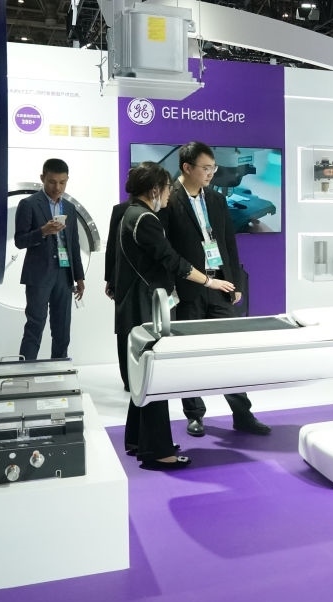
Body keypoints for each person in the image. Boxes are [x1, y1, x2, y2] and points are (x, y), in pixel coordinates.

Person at [113, 161, 235, 469]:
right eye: (167, 188)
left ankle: (138, 440)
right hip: (148, 306)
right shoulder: (145, 219)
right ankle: (158, 452)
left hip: (138, 305)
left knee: (143, 377)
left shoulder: (131, 214)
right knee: (155, 377)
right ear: (155, 189)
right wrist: (209, 281)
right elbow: (172, 260)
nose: (170, 194)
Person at [162, 141, 270, 438]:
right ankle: (194, 415)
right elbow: (167, 250)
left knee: (230, 352)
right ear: (187, 167)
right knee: (190, 355)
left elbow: (227, 243)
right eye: (206, 168)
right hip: (188, 288)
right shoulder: (169, 199)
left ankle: (242, 414)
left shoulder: (216, 199)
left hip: (220, 284)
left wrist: (235, 282)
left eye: (213, 168)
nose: (211, 173)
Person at [14, 158, 85, 360]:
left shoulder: (69, 208)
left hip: (64, 274)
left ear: (67, 180)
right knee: (35, 325)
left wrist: (79, 277)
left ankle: (59, 369)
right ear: (42, 178)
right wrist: (43, 231)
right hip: (39, 275)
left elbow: (74, 244)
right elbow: (20, 241)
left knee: (62, 327)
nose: (57, 187)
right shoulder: (28, 204)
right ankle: (26, 371)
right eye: (52, 182)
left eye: (62, 182)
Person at [103, 199, 130, 391]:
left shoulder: (163, 207)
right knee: (124, 329)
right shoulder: (120, 210)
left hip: (153, 282)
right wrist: (110, 279)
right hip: (122, 278)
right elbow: (112, 246)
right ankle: (128, 378)